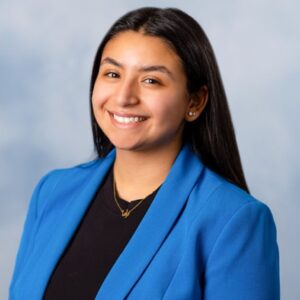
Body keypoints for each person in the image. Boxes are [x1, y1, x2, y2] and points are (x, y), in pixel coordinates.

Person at [9, 7, 280, 300]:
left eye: (151, 80)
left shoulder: (234, 220)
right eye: (112, 74)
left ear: (195, 101)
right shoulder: (52, 192)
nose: (124, 97)